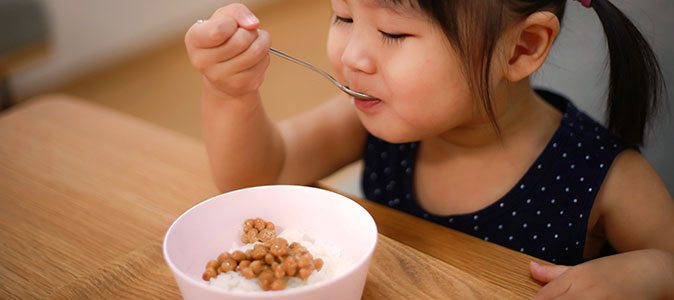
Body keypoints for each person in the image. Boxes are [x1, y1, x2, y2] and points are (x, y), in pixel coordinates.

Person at [184, 0, 674, 298]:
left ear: (522, 47)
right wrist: (231, 93)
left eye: (393, 32)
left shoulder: (603, 176)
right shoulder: (374, 117)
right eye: (343, 15)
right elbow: (259, 177)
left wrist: (652, 273)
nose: (352, 54)